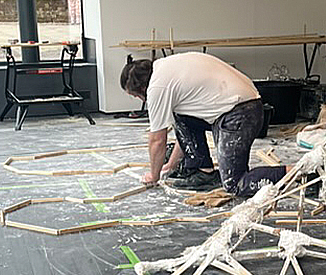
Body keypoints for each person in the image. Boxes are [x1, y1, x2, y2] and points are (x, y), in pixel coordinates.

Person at [120, 52, 287, 195]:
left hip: (239, 113)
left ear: (141, 88)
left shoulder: (157, 88)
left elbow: (157, 140)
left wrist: (153, 176)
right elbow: (184, 130)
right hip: (246, 105)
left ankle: (298, 172)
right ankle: (203, 171)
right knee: (180, 116)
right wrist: (170, 165)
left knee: (234, 183)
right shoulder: (165, 67)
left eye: (134, 95)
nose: (137, 99)